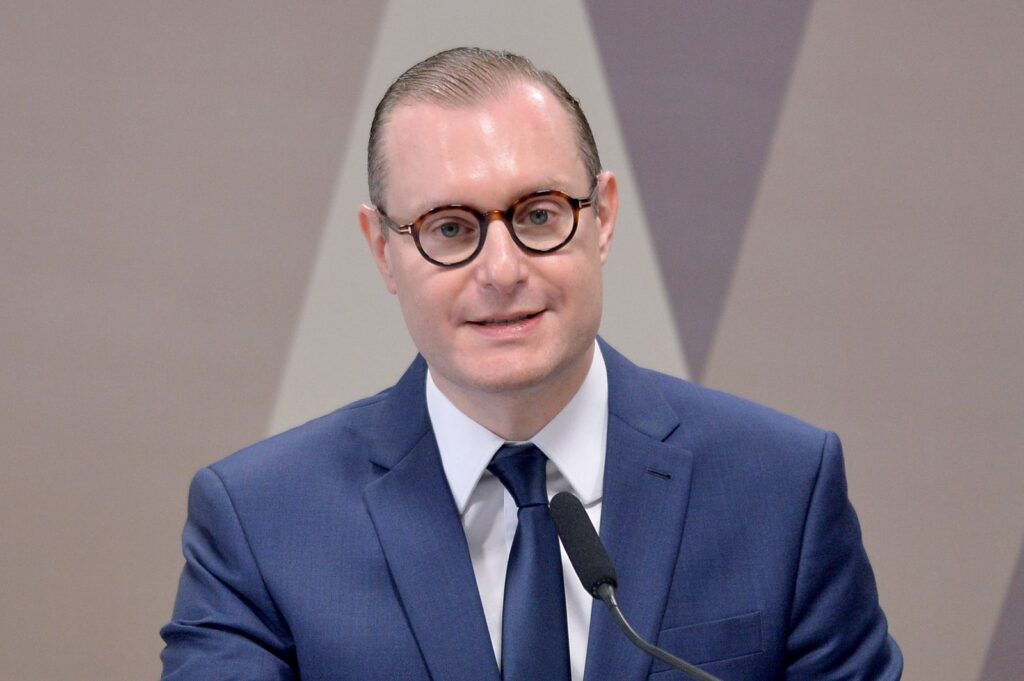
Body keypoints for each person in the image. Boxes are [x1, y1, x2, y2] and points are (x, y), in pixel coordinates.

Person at [160, 47, 902, 680]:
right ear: (384, 250)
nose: (502, 270)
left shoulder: (782, 488)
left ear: (602, 216)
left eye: (539, 214)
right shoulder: (262, 522)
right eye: (450, 228)